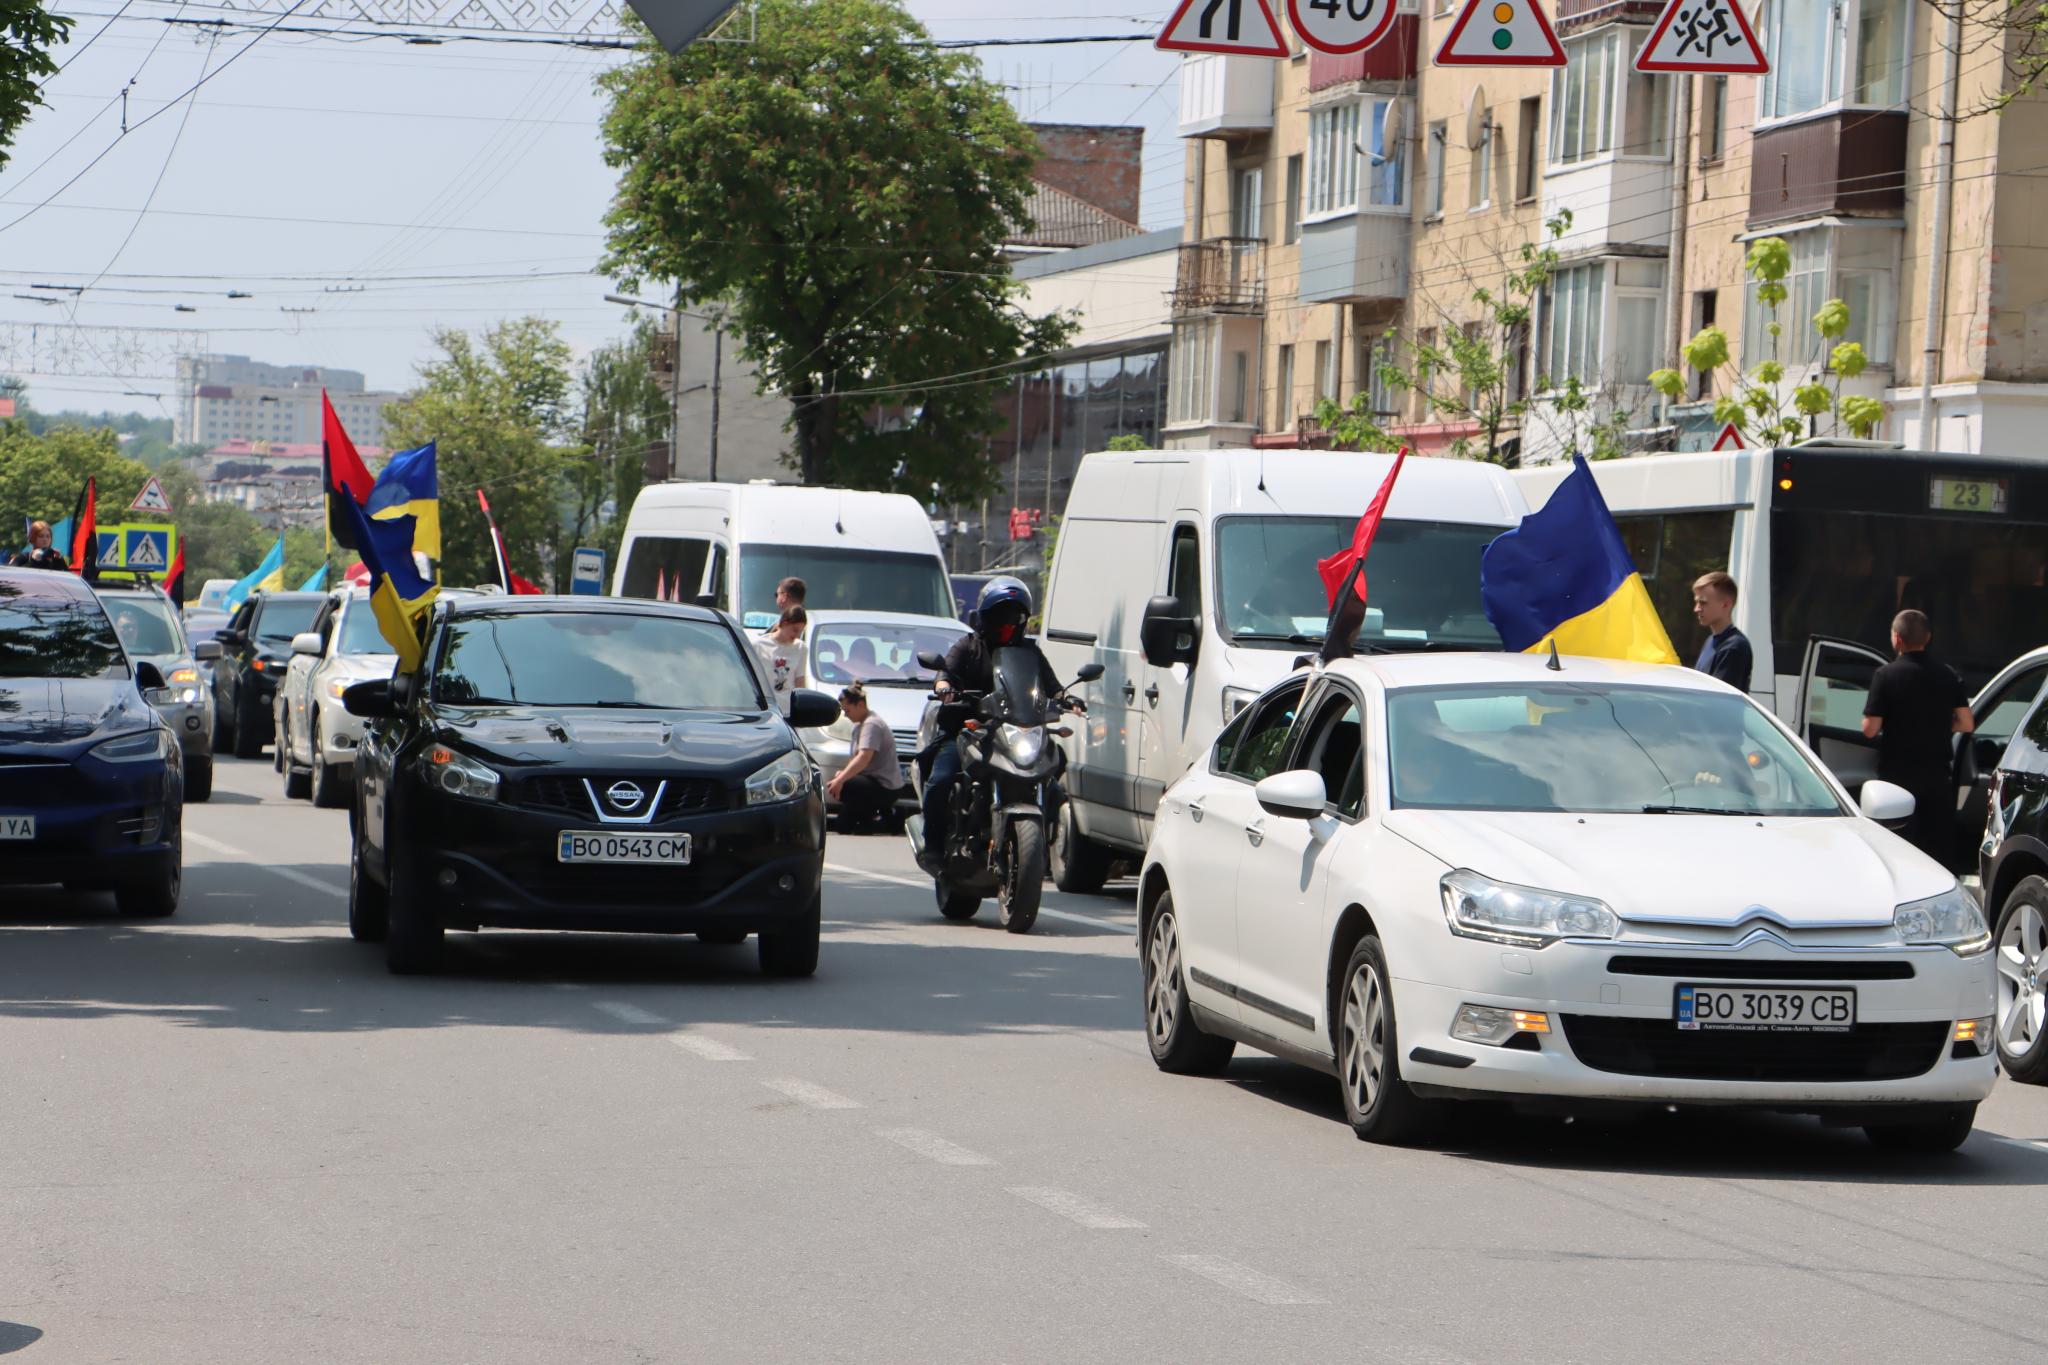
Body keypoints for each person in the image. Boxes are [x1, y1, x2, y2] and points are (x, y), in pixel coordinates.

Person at [920, 576, 1077, 872]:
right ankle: (934, 846)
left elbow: (1052, 686)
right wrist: (944, 688)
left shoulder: (1030, 653)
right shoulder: (968, 646)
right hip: (968, 730)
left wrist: (1067, 699)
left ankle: (1045, 841)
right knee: (941, 780)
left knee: (1057, 770)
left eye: (1014, 616)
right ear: (985, 618)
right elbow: (945, 672)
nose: (1007, 623)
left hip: (1015, 731)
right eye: (999, 616)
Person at [1862, 609, 1973, 860]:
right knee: (1936, 849)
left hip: (1896, 779)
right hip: (1937, 778)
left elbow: (1870, 729)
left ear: (1897, 639)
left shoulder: (1885, 675)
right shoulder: (1948, 674)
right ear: (1928, 637)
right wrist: (1940, 724)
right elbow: (1966, 723)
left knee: (1897, 849)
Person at [825, 683, 904, 833]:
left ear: (860, 705)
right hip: (869, 782)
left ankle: (888, 818)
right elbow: (854, 758)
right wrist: (842, 774)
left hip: (884, 786)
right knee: (843, 826)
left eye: (847, 710)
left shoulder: (872, 725)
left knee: (845, 785)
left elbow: (864, 758)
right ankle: (867, 818)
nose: (845, 715)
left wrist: (840, 781)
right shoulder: (858, 725)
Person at [1691, 571, 1752, 694]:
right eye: (1696, 602)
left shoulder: (1734, 647)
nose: (1696, 609)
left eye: (1703, 602)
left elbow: (1719, 700)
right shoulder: (1711, 641)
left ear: (1726, 605)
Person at [754, 605, 808, 708]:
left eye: (801, 632)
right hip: (765, 707)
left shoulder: (801, 648)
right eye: (795, 630)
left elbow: (800, 682)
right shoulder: (758, 645)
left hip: (788, 709)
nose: (797, 635)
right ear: (784, 624)